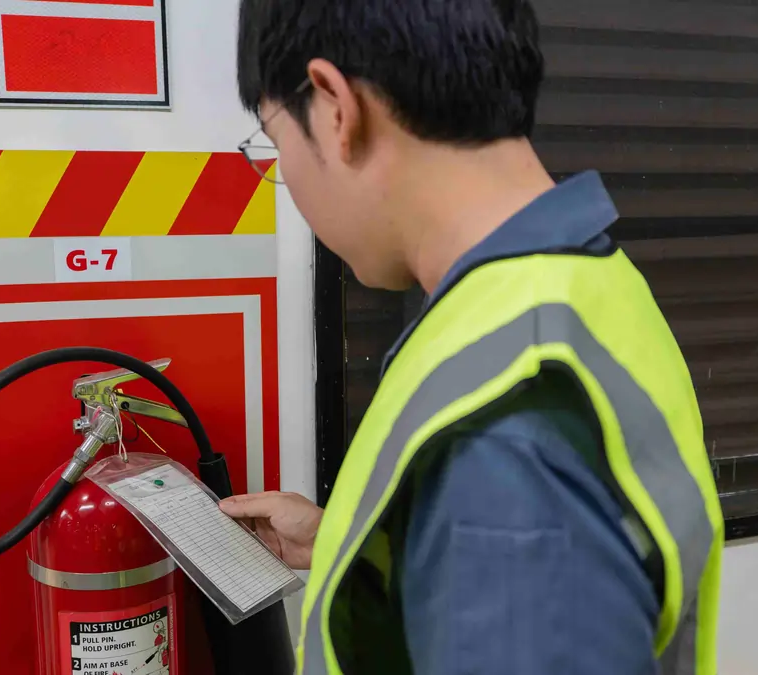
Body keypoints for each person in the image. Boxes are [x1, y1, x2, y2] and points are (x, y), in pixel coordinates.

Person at [222, 1, 724, 673]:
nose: (286, 180)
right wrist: (351, 536)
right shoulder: (577, 282)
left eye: (275, 145)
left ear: (337, 108)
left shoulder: (501, 441)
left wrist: (472, 515)